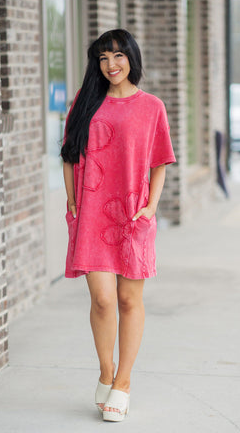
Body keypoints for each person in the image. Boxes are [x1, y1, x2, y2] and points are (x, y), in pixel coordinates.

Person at [61, 29, 176, 422]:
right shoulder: (85, 102)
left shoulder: (151, 107)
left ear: (131, 58)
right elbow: (69, 156)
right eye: (103, 58)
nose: (111, 65)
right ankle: (106, 371)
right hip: (91, 214)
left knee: (129, 300)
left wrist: (150, 208)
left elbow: (159, 162)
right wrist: (74, 205)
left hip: (133, 214)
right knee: (103, 299)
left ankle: (123, 382)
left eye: (118, 56)